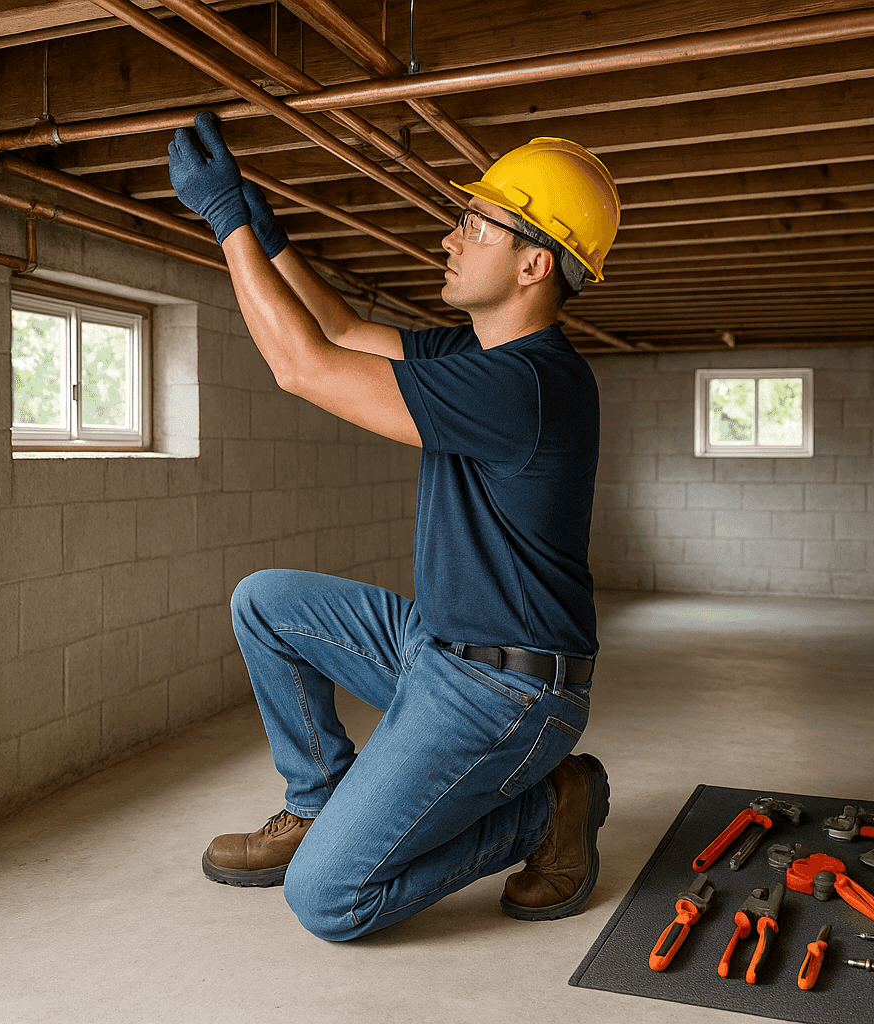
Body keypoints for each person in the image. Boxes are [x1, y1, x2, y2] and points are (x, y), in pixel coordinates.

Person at [166, 111, 619, 941]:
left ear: (534, 262)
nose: (450, 239)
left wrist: (224, 218)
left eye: (474, 225)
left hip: (509, 693)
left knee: (327, 900)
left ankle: (546, 811)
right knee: (265, 601)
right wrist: (269, 239)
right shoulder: (475, 358)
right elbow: (338, 330)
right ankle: (318, 803)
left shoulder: (530, 387)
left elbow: (302, 366)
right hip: (434, 645)